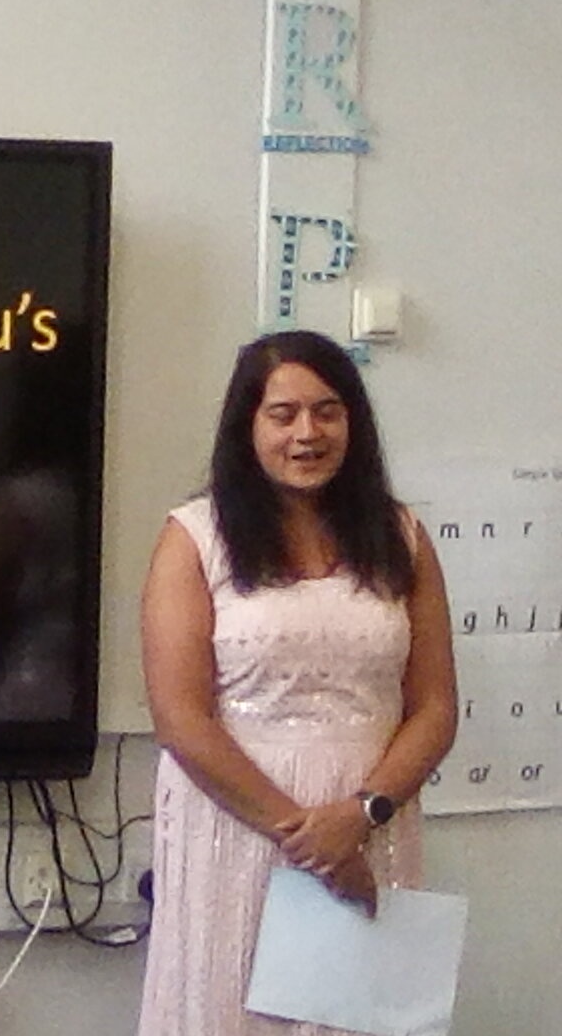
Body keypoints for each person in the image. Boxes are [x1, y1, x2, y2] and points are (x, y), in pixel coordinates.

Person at [136, 330, 457, 1035]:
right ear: (247, 426)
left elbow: (435, 707)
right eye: (283, 415)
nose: (307, 433)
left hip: (373, 823)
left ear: (353, 422)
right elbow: (180, 719)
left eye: (327, 411)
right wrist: (312, 840)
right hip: (240, 826)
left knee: (360, 1014)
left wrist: (359, 817)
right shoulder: (194, 537)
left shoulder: (401, 536)